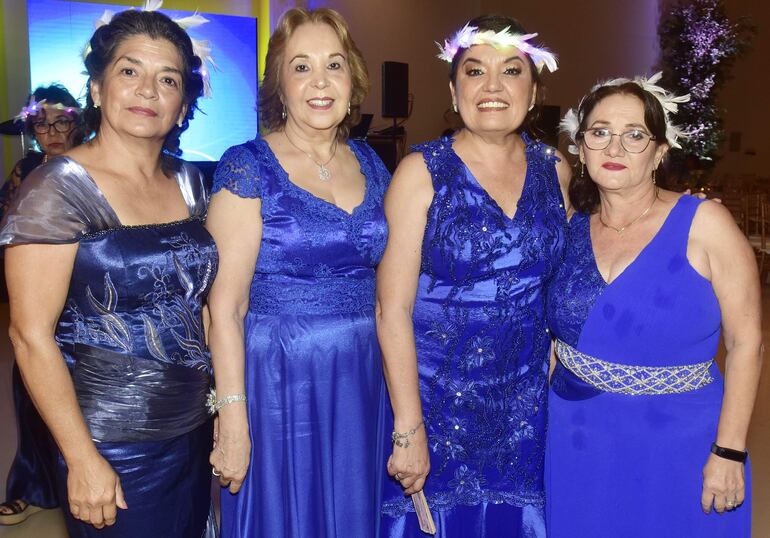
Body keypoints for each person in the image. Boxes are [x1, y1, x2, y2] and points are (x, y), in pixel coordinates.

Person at [0, 7, 218, 536]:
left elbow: (204, 306)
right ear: (97, 89)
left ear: (182, 102)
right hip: (112, 443)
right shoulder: (56, 189)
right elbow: (30, 336)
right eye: (129, 71)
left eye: (167, 78)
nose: (148, 90)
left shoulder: (193, 184)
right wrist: (80, 457)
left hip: (194, 427)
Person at [546, 73, 761, 537]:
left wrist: (729, 450)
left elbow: (747, 343)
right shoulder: (568, 228)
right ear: (580, 148)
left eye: (634, 135)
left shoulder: (706, 223)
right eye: (599, 133)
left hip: (679, 441)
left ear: (660, 152)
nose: (614, 149)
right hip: (576, 435)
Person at [377, 15, 567, 537]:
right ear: (454, 88)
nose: (492, 87)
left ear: (533, 93)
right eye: (474, 71)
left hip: (529, 405)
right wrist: (407, 426)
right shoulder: (420, 172)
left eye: (511, 71)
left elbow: (560, 283)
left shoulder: (557, 169)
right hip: (438, 403)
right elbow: (389, 308)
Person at [207, 7, 389, 537]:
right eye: (301, 66)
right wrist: (233, 416)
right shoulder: (247, 165)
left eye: (334, 65)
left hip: (364, 374)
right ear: (278, 85)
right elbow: (224, 306)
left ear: (353, 80)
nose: (320, 82)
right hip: (279, 378)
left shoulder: (374, 164)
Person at [0, 84, 86, 526]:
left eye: (61, 120)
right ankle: (33, 489)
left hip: (90, 309)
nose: (51, 131)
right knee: (32, 394)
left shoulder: (94, 167)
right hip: (40, 304)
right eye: (41, 123)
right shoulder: (26, 171)